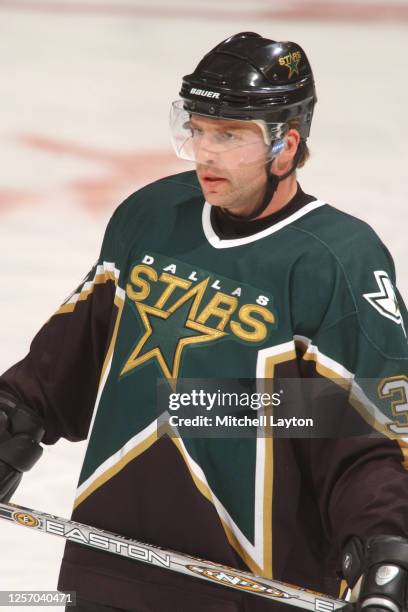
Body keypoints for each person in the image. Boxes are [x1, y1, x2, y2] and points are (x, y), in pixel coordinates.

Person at [1, 31, 408, 612]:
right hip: (109, 571)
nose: (206, 152)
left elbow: (365, 438)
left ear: (284, 146)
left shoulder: (336, 259)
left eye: (229, 135)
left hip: (253, 589)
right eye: (196, 129)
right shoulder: (151, 217)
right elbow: (58, 369)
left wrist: (384, 553)